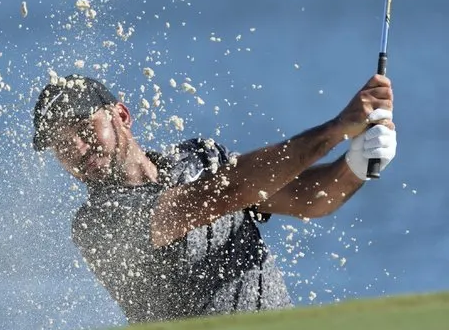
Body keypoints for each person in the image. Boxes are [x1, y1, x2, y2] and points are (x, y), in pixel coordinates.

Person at [31, 73, 397, 324]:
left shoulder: (199, 157)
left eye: (82, 127)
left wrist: (356, 164)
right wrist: (335, 130)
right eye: (61, 145)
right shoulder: (97, 224)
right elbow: (223, 192)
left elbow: (308, 200)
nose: (76, 148)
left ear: (121, 115)